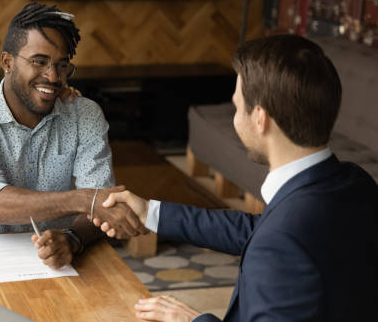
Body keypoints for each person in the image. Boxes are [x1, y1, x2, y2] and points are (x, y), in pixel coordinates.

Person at [95, 35, 378, 321]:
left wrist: (191, 320)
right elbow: (261, 231)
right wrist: (151, 213)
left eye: (236, 106)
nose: (234, 117)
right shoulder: (354, 181)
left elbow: (275, 238)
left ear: (260, 118)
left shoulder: (281, 240)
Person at [0, 2, 146, 269]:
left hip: (65, 264)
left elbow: (102, 205)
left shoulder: (84, 114)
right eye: (39, 62)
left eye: (62, 65)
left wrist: (73, 239)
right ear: (7, 62)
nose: (53, 76)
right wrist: (84, 200)